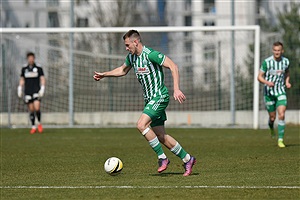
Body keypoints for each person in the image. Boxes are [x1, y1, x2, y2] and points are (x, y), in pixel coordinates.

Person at [94, 30, 196, 176]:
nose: (126, 48)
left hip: (159, 96)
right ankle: (188, 159)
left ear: (136, 42)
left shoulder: (151, 54)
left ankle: (162, 158)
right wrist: (104, 74)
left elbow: (173, 66)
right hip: (150, 100)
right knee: (161, 136)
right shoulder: (132, 57)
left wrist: (176, 89)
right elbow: (122, 70)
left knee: (141, 125)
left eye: (128, 45)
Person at [257, 41, 291, 148]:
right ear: (273, 51)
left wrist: (287, 82)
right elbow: (259, 76)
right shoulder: (267, 62)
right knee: (272, 117)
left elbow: (287, 72)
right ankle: (271, 126)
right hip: (269, 93)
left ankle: (280, 140)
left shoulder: (286, 61)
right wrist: (267, 82)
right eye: (275, 50)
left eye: (279, 50)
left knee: (281, 114)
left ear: (282, 51)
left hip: (280, 91)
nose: (277, 52)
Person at [18, 52, 46, 134]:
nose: (31, 59)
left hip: (36, 91)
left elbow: (42, 78)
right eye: (29, 58)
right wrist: (19, 88)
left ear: (34, 58)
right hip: (28, 92)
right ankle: (33, 126)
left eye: (32, 58)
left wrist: (42, 88)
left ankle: (39, 124)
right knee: (31, 109)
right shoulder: (24, 69)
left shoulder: (38, 68)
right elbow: (22, 79)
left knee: (37, 108)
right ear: (27, 59)